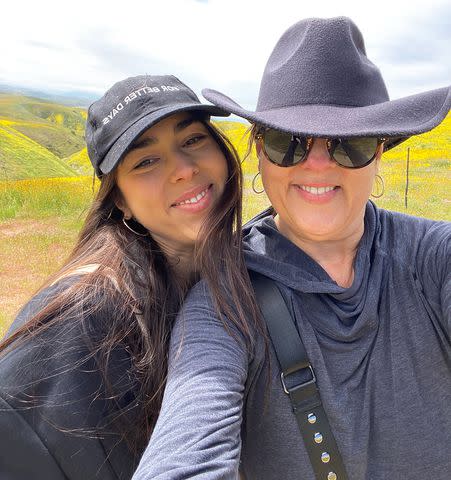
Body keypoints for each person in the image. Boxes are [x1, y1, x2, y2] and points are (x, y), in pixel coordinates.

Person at [131, 17, 451, 480]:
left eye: (349, 143)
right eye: (288, 142)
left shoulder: (434, 259)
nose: (317, 164)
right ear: (259, 151)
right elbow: (186, 453)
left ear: (379, 152)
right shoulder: (225, 303)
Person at [0, 74, 259, 479]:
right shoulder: (81, 325)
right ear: (120, 199)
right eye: (146, 161)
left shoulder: (237, 267)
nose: (184, 169)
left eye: (192, 140)